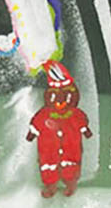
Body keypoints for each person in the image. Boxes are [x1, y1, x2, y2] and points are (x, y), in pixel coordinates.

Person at [26, 61, 92, 198]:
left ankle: (71, 183)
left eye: (66, 95)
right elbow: (37, 122)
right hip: (48, 146)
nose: (60, 101)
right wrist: (32, 133)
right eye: (54, 95)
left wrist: (86, 130)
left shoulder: (75, 113)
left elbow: (81, 121)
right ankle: (50, 185)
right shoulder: (44, 113)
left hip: (70, 146)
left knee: (71, 165)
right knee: (48, 165)